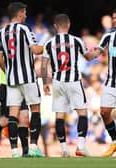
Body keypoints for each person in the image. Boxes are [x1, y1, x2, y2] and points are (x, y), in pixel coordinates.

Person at [41, 14, 99, 157]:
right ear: (69, 24)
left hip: (58, 82)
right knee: (82, 113)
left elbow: (43, 65)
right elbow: (88, 57)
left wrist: (45, 83)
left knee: (59, 116)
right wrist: (98, 52)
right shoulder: (76, 40)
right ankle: (80, 146)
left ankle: (64, 149)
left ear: (55, 26)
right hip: (74, 81)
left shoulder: (49, 43)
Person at [0, 2, 44, 157]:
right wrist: (48, 46)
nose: (26, 15)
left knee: (13, 114)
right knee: (35, 109)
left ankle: (15, 151)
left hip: (12, 79)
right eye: (25, 12)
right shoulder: (25, 29)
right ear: (20, 13)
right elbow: (36, 50)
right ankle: (34, 147)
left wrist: (9, 71)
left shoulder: (1, 33)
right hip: (28, 77)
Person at [95, 9, 116, 157]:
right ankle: (114, 141)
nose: (114, 20)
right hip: (111, 81)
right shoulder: (109, 34)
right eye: (113, 18)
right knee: (104, 112)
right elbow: (98, 51)